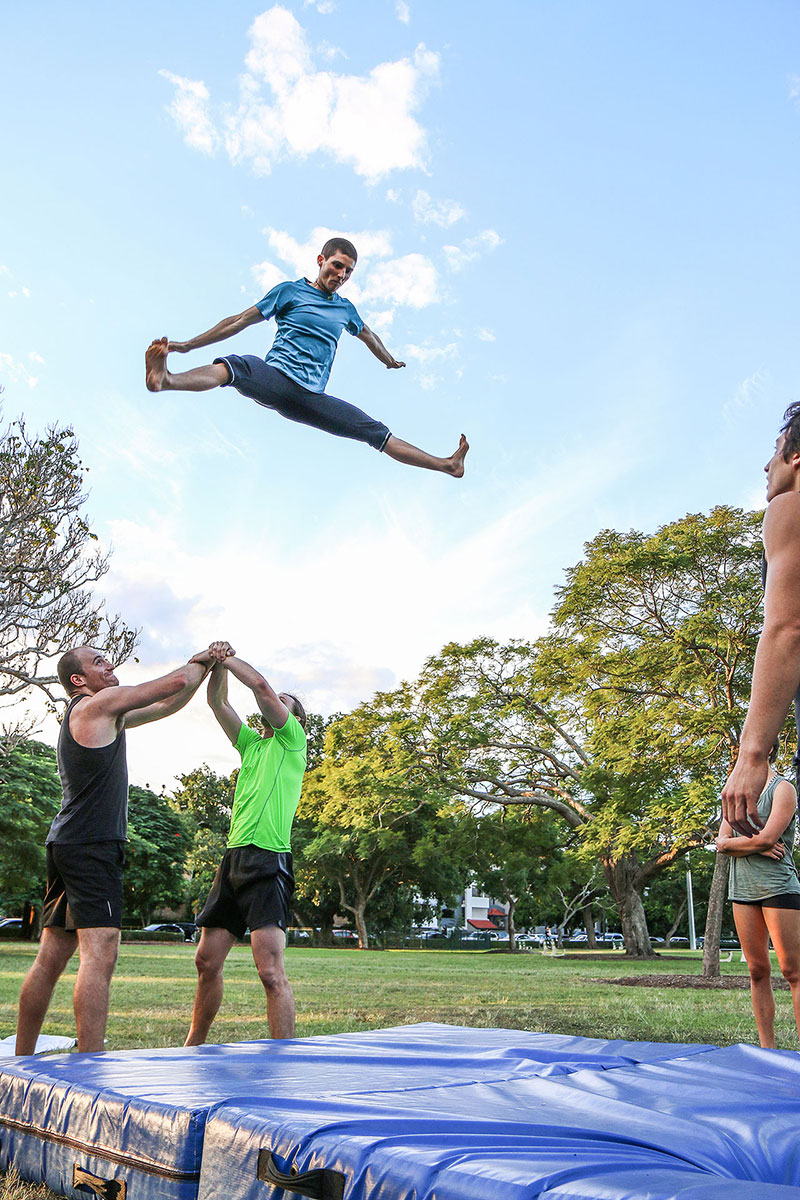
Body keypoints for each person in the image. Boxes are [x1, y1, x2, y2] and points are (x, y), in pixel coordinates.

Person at [15, 644, 218, 1054]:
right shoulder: (96, 704)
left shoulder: (105, 714)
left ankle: (19, 1058)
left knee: (51, 956)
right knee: (100, 952)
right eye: (99, 662)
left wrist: (206, 668)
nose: (109, 666)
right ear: (79, 680)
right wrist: (207, 655)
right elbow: (177, 680)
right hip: (91, 846)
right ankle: (91, 1064)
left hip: (68, 843)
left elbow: (167, 704)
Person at [145, 237, 468, 477]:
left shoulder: (345, 309)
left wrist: (389, 360)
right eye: (337, 265)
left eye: (348, 271)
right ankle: (167, 379)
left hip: (311, 398)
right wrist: (187, 345)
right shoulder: (290, 292)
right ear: (321, 260)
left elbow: (369, 336)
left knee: (374, 431)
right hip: (276, 378)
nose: (341, 274)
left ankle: (447, 465)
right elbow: (238, 321)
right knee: (238, 367)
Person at [184, 644, 307, 1045]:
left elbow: (258, 684)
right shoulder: (252, 745)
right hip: (233, 860)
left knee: (270, 972)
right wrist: (214, 662)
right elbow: (217, 701)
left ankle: (283, 1056)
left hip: (268, 861)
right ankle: (193, 1045)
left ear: (294, 717)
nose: (276, 700)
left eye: (286, 701)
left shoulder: (292, 742)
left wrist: (227, 655)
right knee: (206, 961)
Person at [722, 402, 800, 836]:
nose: (766, 465)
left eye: (776, 450)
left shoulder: (791, 507)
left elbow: (788, 626)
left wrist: (752, 754)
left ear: (796, 457)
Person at [716, 745, 800, 1048]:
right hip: (742, 890)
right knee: (757, 970)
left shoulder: (783, 789)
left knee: (793, 972)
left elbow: (766, 837)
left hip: (779, 887)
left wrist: (754, 842)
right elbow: (721, 845)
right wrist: (760, 845)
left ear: (767, 752)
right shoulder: (735, 795)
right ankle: (768, 1051)